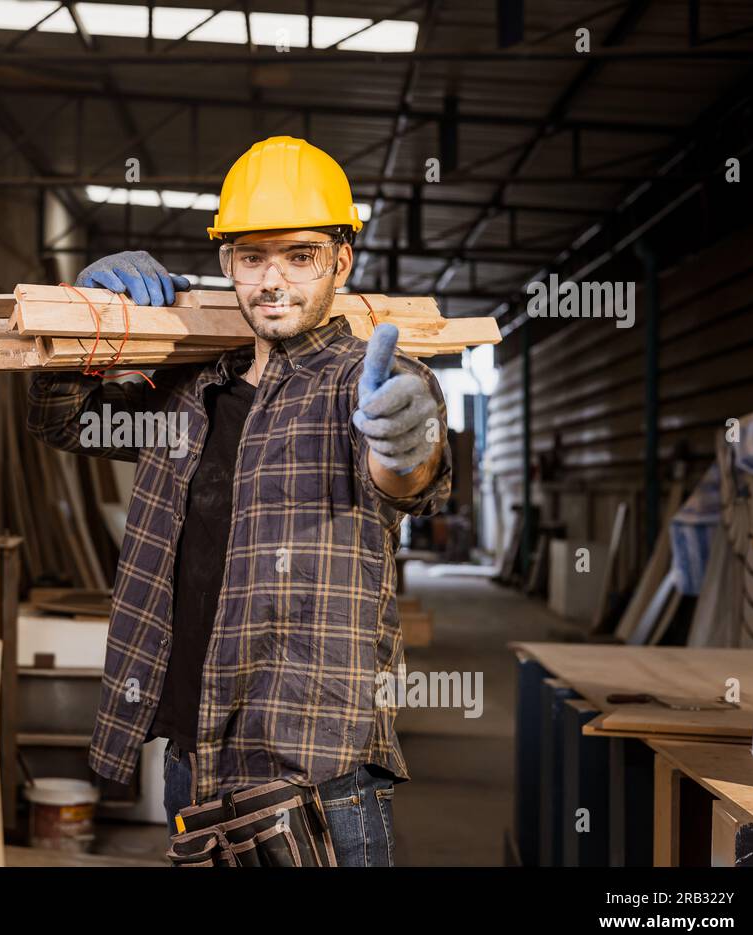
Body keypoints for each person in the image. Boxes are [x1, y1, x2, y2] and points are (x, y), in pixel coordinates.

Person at [27, 136, 451, 866]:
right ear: (226, 262)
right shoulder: (188, 392)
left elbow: (406, 482)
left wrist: (404, 446)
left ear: (341, 261)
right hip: (194, 766)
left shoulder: (370, 382)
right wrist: (82, 312)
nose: (273, 280)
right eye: (252, 257)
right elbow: (63, 419)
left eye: (299, 255)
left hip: (318, 779)